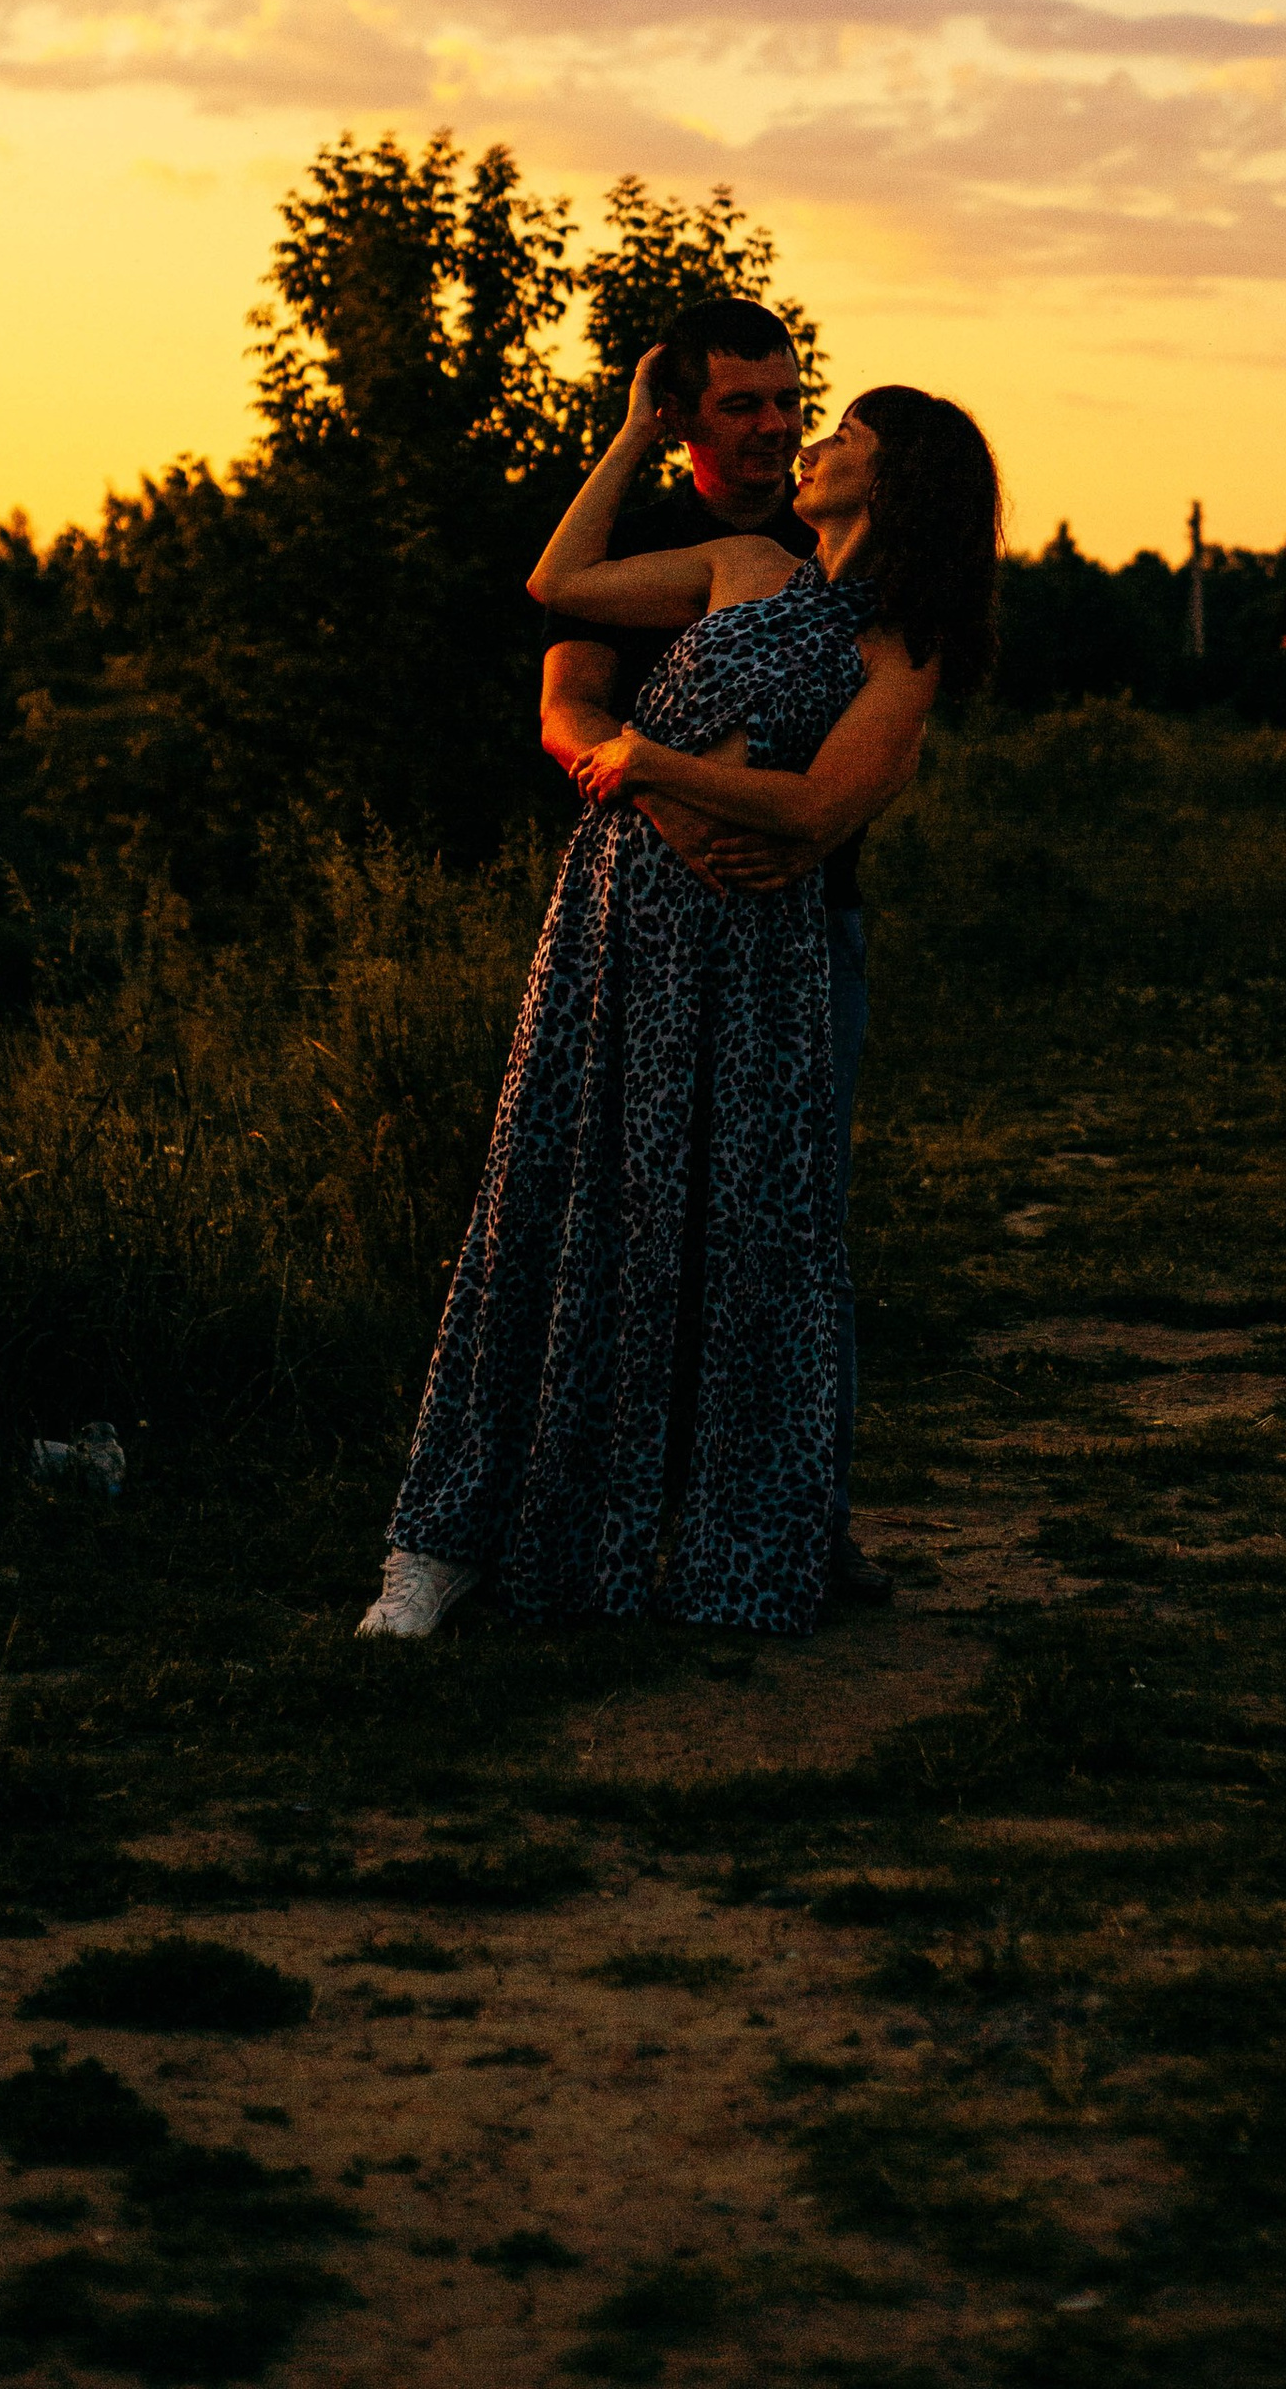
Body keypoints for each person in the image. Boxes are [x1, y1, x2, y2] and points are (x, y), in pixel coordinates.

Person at [356, 352, 1001, 1644]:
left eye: (837, 430)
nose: (807, 441)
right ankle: (475, 1538)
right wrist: (633, 432)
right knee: (568, 1206)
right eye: (777, 415)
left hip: (766, 957)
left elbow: (820, 808)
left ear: (896, 473)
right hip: (617, 929)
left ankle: (763, 1537)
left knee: (754, 1244)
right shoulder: (735, 567)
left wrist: (660, 764)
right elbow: (557, 587)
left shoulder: (904, 644)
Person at [537, 300, 902, 1607]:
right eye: (741, 403)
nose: (774, 425)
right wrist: (666, 803)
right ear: (686, 414)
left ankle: (809, 1521)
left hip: (806, 926)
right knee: (636, 1226)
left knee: (794, 1234)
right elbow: (570, 709)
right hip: (645, 934)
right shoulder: (651, 540)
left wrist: (799, 832)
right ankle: (630, 1517)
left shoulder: (842, 576)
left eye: (788, 399)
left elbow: (874, 755)